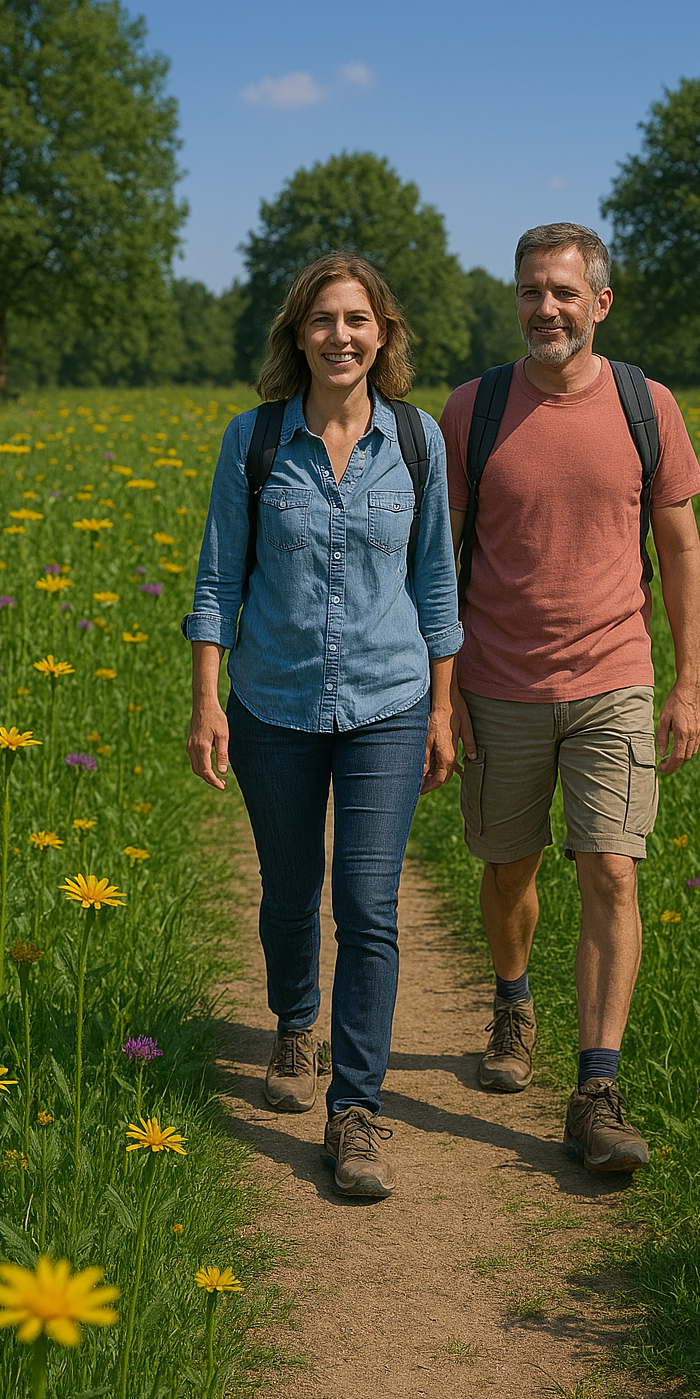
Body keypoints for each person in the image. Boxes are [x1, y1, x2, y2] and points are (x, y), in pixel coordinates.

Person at [184, 252, 462, 1199]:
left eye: (358, 320)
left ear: (383, 335)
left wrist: (444, 707)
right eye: (322, 320)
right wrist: (206, 703)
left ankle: (357, 1110)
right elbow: (218, 582)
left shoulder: (416, 443)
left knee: (370, 902)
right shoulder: (255, 441)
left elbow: (436, 585)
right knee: (291, 887)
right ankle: (293, 1024)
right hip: (275, 703)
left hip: (389, 703)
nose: (340, 336)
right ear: (297, 334)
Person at [440, 222, 700, 1174]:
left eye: (561, 292)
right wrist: (445, 690)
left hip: (615, 679)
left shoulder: (647, 406)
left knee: (613, 871)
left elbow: (679, 548)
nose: (543, 309)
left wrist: (686, 683)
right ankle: (514, 1002)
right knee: (510, 867)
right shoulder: (473, 409)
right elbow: (439, 559)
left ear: (600, 302)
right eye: (528, 292)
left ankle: (596, 1087)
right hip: (498, 681)